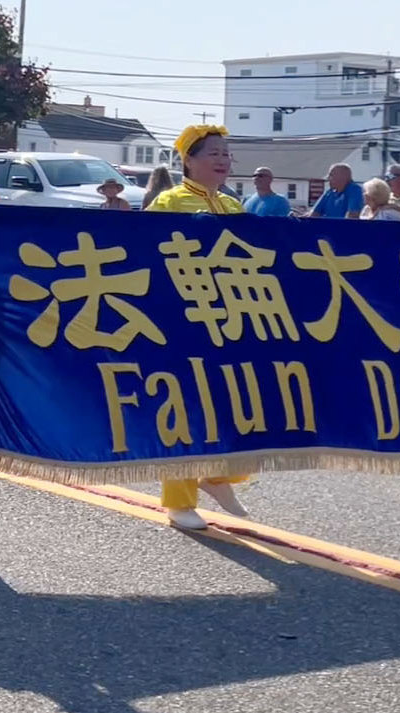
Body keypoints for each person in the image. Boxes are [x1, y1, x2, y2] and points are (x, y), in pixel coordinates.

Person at [145, 125, 253, 530]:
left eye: (227, 154)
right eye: (213, 153)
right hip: (186, 319)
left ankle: (219, 474)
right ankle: (179, 499)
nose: (223, 160)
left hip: (233, 317)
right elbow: (147, 254)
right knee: (186, 408)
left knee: (236, 402)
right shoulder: (168, 202)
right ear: (188, 160)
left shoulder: (234, 205)